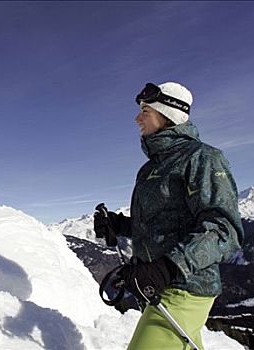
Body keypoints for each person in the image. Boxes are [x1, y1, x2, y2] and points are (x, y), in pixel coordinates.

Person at [94, 82, 243, 349]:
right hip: (157, 289)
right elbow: (162, 224)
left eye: (146, 111)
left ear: (168, 115)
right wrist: (119, 225)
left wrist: (167, 268)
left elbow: (223, 229)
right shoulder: (150, 168)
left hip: (186, 287)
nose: (137, 118)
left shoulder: (203, 158)